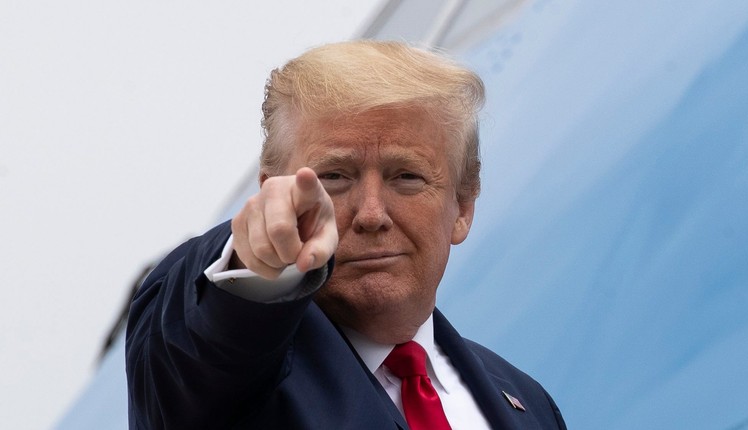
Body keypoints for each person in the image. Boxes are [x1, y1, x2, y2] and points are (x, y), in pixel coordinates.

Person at [126, 40, 566, 429]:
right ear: (272, 194)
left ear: (463, 208)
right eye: (334, 176)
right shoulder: (220, 377)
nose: (371, 214)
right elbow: (196, 341)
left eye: (407, 177)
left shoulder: (527, 403)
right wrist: (252, 262)